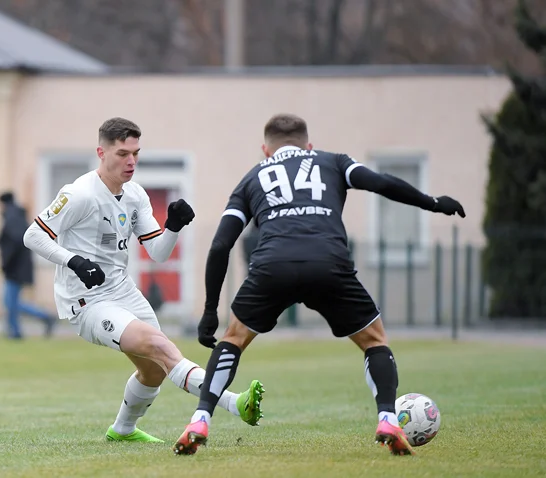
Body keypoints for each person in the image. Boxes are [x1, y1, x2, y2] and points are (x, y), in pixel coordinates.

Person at [172, 113, 465, 456]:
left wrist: (210, 311)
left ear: (266, 150)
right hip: (328, 263)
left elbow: (221, 245)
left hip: (272, 266)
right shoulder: (333, 162)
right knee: (374, 340)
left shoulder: (253, 177)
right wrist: (433, 203)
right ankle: (387, 418)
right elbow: (381, 183)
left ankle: (200, 420)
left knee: (233, 339)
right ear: (308, 146)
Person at [23, 117, 265, 443]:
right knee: (161, 347)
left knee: (153, 370)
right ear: (101, 153)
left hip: (124, 292)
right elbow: (33, 236)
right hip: (88, 301)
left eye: (136, 153)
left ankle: (122, 430)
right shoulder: (79, 194)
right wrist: (75, 261)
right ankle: (235, 403)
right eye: (123, 153)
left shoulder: (135, 194)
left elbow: (158, 253)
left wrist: (173, 226)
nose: (131, 161)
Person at [0, 191, 55, 339]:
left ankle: (18, 330)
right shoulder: (17, 216)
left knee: (10, 302)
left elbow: (14, 243)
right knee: (12, 302)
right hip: (18, 268)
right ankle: (20, 328)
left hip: (15, 269)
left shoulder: (12, 218)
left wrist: (6, 263)